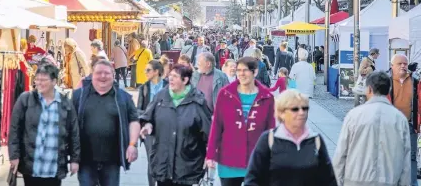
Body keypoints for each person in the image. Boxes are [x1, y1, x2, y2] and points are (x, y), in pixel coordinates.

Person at [332, 71, 411, 186]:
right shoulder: (400, 120)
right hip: (389, 181)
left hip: (355, 180)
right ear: (388, 90)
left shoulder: (354, 116)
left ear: (369, 89)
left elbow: (341, 154)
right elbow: (406, 163)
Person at [206, 57, 275, 186]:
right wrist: (210, 154)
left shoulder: (267, 97)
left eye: (245, 70)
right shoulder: (225, 94)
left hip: (257, 161)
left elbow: (271, 130)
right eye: (239, 70)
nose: (241, 74)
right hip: (229, 162)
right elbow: (217, 126)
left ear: (255, 72)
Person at [244, 90, 337, 186]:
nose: (301, 112)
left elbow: (329, 180)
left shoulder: (316, 140)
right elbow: (252, 178)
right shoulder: (268, 140)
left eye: (305, 108)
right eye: (295, 109)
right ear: (281, 113)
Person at [139, 64, 212, 186]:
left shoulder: (197, 101)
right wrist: (147, 125)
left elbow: (209, 132)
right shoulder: (161, 96)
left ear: (185, 80)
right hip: (163, 162)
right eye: (170, 76)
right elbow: (147, 116)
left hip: (187, 165)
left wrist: (210, 155)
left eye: (175, 76)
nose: (170, 79)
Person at [9, 64, 81, 186]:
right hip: (32, 166)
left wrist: (75, 160)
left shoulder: (65, 104)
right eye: (37, 79)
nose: (39, 83)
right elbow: (14, 129)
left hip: (54, 167)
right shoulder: (25, 99)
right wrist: (14, 156)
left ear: (54, 81)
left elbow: (74, 133)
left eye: (43, 80)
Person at [72, 60, 140, 186]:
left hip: (112, 161)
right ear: (92, 75)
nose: (103, 76)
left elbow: (134, 121)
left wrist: (132, 144)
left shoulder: (123, 97)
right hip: (85, 160)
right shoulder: (78, 96)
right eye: (99, 73)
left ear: (113, 75)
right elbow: (68, 123)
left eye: (106, 73)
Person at [388, 54, 419, 186]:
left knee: (411, 157)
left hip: (410, 125)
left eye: (405, 64)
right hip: (391, 126)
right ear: (392, 66)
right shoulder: (386, 82)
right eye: (399, 63)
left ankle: (412, 183)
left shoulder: (415, 82)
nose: (403, 66)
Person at [136, 60, 168, 186]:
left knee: (164, 159)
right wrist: (147, 118)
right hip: (149, 130)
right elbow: (138, 110)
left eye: (148, 70)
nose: (145, 72)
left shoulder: (168, 86)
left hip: (165, 128)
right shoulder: (144, 88)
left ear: (156, 72)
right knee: (151, 159)